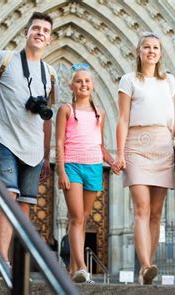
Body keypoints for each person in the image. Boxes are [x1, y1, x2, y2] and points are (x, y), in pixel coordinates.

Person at [0, 12, 57, 273]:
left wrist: (45, 156)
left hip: (32, 149)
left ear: (50, 39)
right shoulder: (5, 59)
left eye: (45, 30)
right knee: (8, 196)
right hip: (2, 139)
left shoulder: (50, 74)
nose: (40, 33)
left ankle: (13, 261)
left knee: (24, 206)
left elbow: (47, 118)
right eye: (36, 28)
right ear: (26, 33)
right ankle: (2, 260)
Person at [115, 32, 175, 285]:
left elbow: (172, 115)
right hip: (136, 144)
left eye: (156, 47)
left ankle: (147, 267)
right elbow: (122, 118)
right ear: (139, 52)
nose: (151, 51)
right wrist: (120, 153)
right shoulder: (129, 80)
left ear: (160, 53)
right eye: (146, 47)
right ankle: (145, 265)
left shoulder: (169, 81)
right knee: (141, 208)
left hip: (163, 144)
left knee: (156, 213)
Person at [56, 65, 118, 283]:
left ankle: (73, 271)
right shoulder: (66, 110)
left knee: (83, 220)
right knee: (77, 217)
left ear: (93, 85)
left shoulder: (99, 113)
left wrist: (112, 162)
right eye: (79, 81)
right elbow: (60, 142)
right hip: (72, 165)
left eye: (87, 81)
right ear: (71, 85)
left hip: (94, 167)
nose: (83, 84)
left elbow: (100, 144)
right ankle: (82, 267)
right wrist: (61, 170)